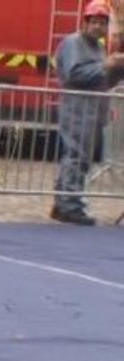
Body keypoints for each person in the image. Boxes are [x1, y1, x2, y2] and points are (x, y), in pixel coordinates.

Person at [51, 0, 124, 225]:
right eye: (94, 22)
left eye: (102, 23)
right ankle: (70, 206)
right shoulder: (74, 43)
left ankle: (64, 203)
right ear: (86, 22)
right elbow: (75, 75)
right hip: (77, 108)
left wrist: (116, 70)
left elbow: (102, 80)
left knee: (81, 157)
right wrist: (106, 66)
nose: (98, 27)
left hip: (93, 109)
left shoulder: (99, 47)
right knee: (75, 155)